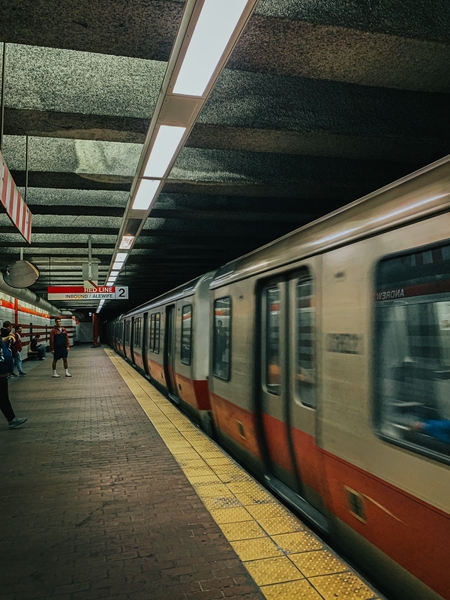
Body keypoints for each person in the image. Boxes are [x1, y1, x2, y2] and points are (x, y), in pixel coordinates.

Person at [0, 328, 27, 429]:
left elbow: (2, 340)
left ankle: (11, 419)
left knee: (3, 399)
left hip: (3, 374)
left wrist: (9, 337)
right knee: (3, 399)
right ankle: (11, 419)